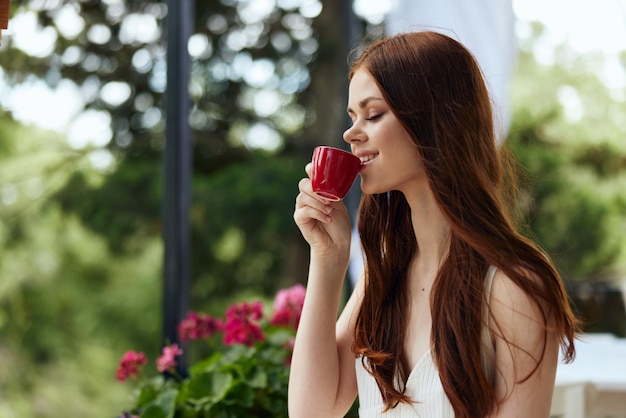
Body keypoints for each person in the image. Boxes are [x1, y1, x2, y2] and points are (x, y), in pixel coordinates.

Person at [289, 31, 579, 418]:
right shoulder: (384, 275)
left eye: (373, 114)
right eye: (352, 116)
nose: (351, 134)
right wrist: (327, 258)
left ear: (435, 120)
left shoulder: (512, 289)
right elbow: (312, 412)